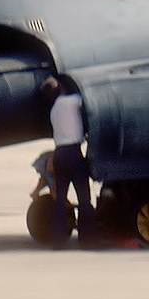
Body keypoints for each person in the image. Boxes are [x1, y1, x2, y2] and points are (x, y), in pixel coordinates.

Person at [43, 76, 95, 248]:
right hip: (73, 152)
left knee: (60, 199)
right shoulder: (72, 101)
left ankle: (57, 240)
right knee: (84, 197)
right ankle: (87, 239)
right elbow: (88, 98)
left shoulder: (53, 109)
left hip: (59, 153)